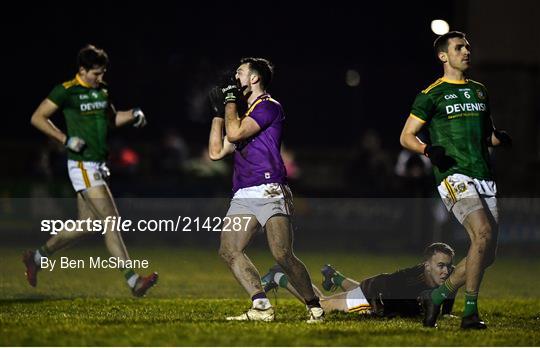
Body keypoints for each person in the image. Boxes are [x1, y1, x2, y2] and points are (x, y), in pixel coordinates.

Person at [24, 44, 158, 297]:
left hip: (98, 164)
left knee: (87, 225)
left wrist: (133, 115)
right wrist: (64, 140)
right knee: (111, 220)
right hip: (82, 164)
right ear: (82, 70)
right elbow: (38, 117)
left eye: (103, 73)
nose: (100, 78)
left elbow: (112, 119)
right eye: (95, 74)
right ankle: (133, 281)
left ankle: (37, 257)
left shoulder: (102, 90)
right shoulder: (66, 92)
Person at [399, 31, 512, 329]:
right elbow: (406, 136)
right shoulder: (431, 94)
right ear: (443, 56)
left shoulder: (479, 91)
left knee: (486, 255)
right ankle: (469, 313)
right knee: (482, 233)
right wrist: (428, 150)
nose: (466, 52)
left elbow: (487, 134)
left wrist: (498, 139)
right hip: (453, 174)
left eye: (467, 47)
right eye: (459, 47)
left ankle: (437, 296)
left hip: (484, 176)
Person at [207, 57, 324, 322]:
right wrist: (217, 113)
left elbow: (235, 135)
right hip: (243, 193)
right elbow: (216, 152)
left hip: (270, 188)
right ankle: (260, 305)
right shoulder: (241, 114)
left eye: (240, 73)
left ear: (255, 78)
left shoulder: (268, 106)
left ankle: (314, 305)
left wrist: (228, 104)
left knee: (282, 253)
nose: (235, 78)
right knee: (228, 249)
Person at [262, 242, 456, 318]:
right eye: (440, 266)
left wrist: (446, 313)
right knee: (320, 306)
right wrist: (376, 312)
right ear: (427, 265)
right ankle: (280, 277)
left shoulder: (448, 276)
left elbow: (450, 289)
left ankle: (334, 276)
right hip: (373, 295)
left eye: (448, 265)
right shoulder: (413, 282)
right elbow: (389, 303)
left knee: (334, 299)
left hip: (377, 286)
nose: (446, 271)